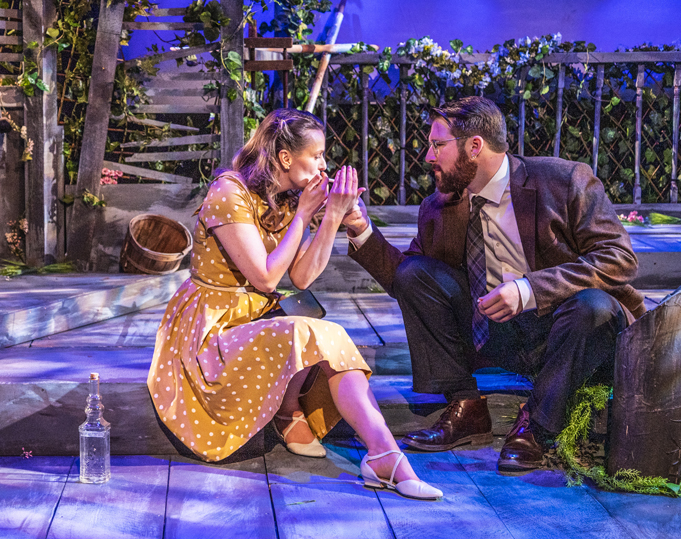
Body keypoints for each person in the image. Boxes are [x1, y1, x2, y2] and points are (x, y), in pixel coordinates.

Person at [148, 108, 442, 500]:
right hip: (212, 330)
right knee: (313, 330)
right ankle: (307, 421)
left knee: (322, 329)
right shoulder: (229, 192)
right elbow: (266, 277)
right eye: (317, 155)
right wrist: (307, 212)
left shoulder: (287, 198)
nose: (324, 165)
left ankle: (383, 454)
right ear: (286, 158)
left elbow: (302, 276)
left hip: (256, 315)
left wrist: (332, 218)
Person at [343, 96, 645, 470]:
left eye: (437, 145)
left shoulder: (564, 181)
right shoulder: (439, 208)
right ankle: (466, 405)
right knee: (416, 273)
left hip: (572, 334)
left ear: (474, 146)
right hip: (497, 335)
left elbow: (619, 258)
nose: (428, 157)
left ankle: (537, 427)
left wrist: (530, 289)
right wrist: (361, 231)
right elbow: (408, 281)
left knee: (594, 306)